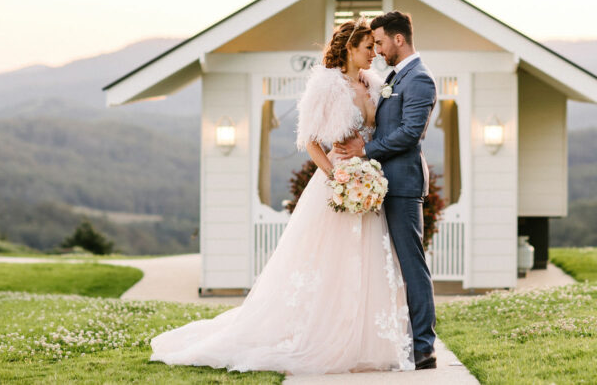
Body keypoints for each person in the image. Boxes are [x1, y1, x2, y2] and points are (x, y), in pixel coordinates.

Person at [148, 19, 414, 375]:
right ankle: (320, 336)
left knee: (365, 263)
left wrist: (365, 175)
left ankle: (361, 340)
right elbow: (311, 142)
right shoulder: (327, 86)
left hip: (367, 186)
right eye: (369, 48)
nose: (374, 54)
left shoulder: (374, 84)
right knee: (328, 264)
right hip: (336, 185)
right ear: (351, 48)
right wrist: (337, 177)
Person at [334, 10, 439, 370]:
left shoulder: (420, 79)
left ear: (398, 39)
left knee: (412, 265)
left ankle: (424, 346)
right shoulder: (395, 77)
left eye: (380, 42)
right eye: (372, 44)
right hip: (382, 184)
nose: (377, 50)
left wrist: (365, 151)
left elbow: (411, 133)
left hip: (404, 184)